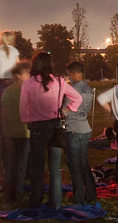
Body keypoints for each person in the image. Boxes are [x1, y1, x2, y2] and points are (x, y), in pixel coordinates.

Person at [19, 52, 79, 208]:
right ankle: (56, 202)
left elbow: (23, 107)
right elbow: (77, 98)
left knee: (37, 167)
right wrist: (67, 109)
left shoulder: (28, 83)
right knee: (55, 166)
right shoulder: (59, 81)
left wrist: (27, 120)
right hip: (55, 126)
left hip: (37, 127)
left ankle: (35, 201)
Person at [60, 60, 99, 205]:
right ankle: (91, 193)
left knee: (74, 164)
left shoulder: (72, 90)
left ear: (75, 73)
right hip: (85, 127)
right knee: (84, 163)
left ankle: (78, 196)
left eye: (69, 75)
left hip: (73, 128)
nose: (69, 78)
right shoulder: (89, 89)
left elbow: (66, 111)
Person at [0, 61, 31, 205]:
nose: (30, 75)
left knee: (17, 166)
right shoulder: (11, 91)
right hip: (17, 133)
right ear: (19, 75)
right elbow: (3, 114)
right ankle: (12, 196)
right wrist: (5, 133)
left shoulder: (11, 91)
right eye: (27, 73)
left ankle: (13, 195)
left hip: (23, 133)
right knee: (15, 167)